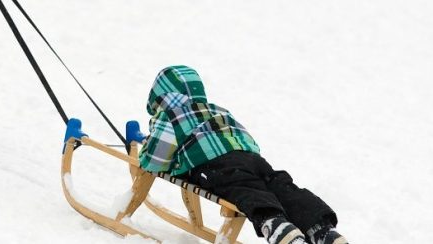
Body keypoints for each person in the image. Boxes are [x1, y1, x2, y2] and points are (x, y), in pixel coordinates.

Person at [139, 66, 348, 244]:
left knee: (244, 187)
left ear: (159, 98)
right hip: (250, 157)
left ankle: (275, 224)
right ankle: (322, 229)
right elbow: (245, 136)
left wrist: (150, 150)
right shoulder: (217, 110)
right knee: (279, 185)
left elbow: (154, 161)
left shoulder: (170, 116)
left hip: (214, 164)